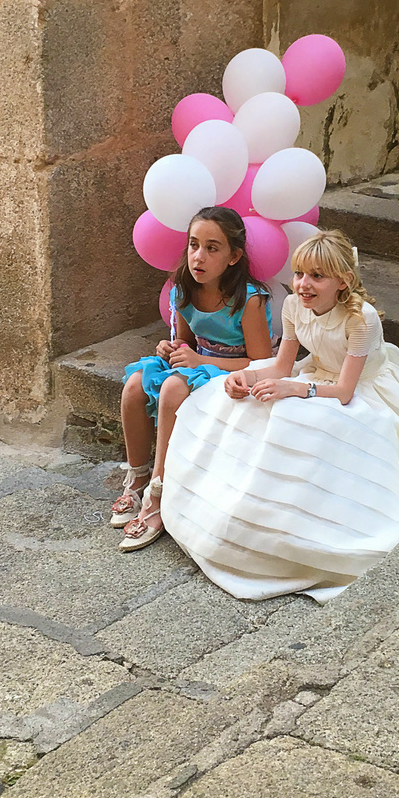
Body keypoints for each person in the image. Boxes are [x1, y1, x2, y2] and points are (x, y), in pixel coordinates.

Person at [159, 230, 399, 601]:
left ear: (343, 281)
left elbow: (344, 392)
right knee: (244, 403)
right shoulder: (294, 306)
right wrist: (247, 375)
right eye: (299, 274)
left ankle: (302, 528)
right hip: (315, 373)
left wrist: (295, 388)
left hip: (360, 388)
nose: (303, 285)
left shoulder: (362, 319)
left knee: (308, 423)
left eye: (317, 277)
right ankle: (235, 516)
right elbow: (282, 365)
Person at [114, 206, 275, 552]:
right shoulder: (183, 289)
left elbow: (263, 361)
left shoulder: (249, 300)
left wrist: (200, 359)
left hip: (234, 373)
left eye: (212, 248)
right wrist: (170, 348)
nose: (198, 256)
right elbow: (185, 342)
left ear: (234, 257)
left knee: (172, 387)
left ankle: (160, 492)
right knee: (134, 385)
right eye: (193, 245)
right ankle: (138, 475)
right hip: (196, 365)